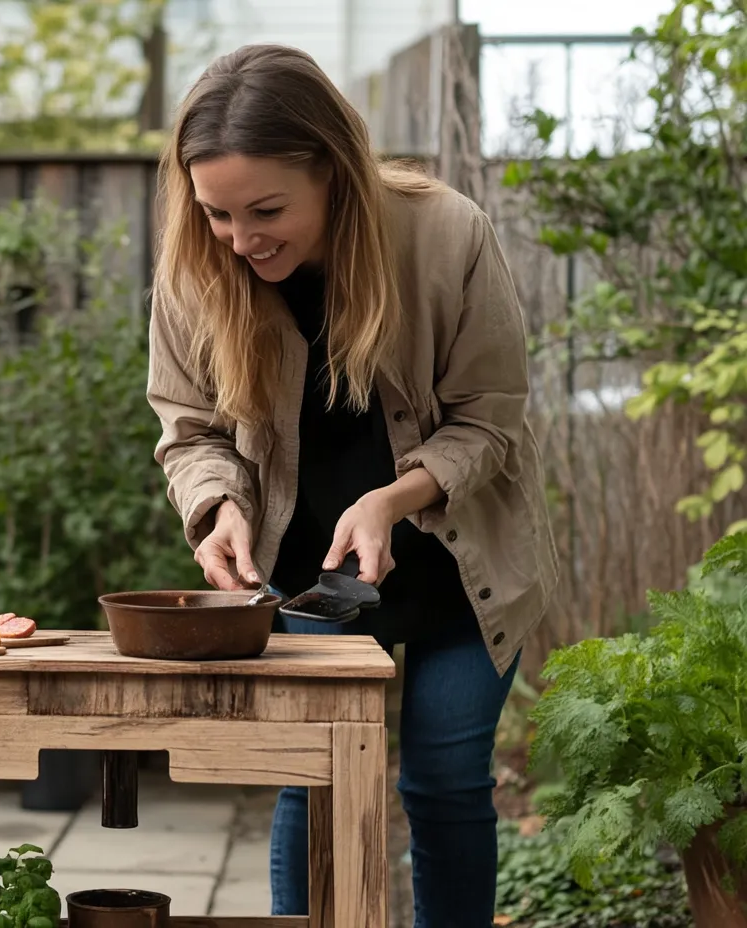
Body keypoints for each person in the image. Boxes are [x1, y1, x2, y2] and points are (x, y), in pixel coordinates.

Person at [146, 44, 558, 927]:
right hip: (307, 576)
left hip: (458, 563)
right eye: (218, 213)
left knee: (444, 783)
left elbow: (492, 419)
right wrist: (219, 508)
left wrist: (391, 500)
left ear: (333, 170)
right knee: (315, 780)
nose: (242, 240)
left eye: (266, 211)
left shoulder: (446, 235)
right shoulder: (196, 265)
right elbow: (190, 429)